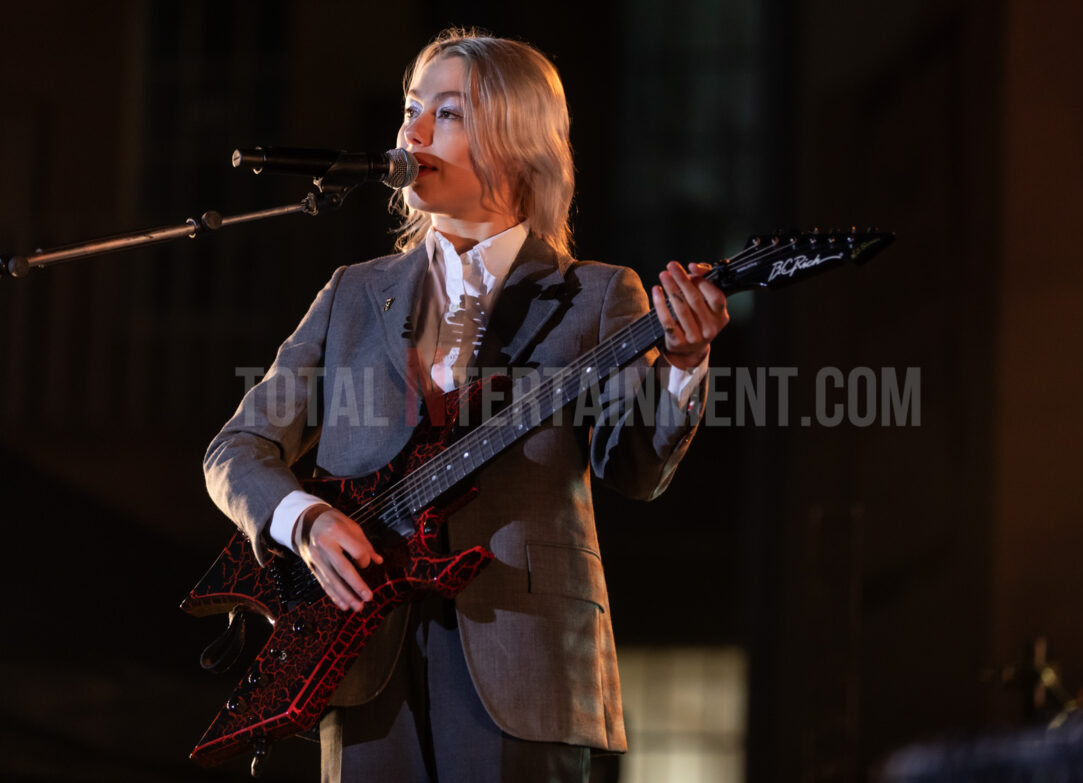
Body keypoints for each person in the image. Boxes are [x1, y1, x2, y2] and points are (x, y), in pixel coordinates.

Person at [204, 27, 729, 783]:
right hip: (362, 652)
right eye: (410, 108)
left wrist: (683, 362)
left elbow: (637, 467)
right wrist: (306, 521)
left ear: (517, 137)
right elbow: (236, 447)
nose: (412, 131)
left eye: (445, 112)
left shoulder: (598, 295)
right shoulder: (354, 293)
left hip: (527, 654)